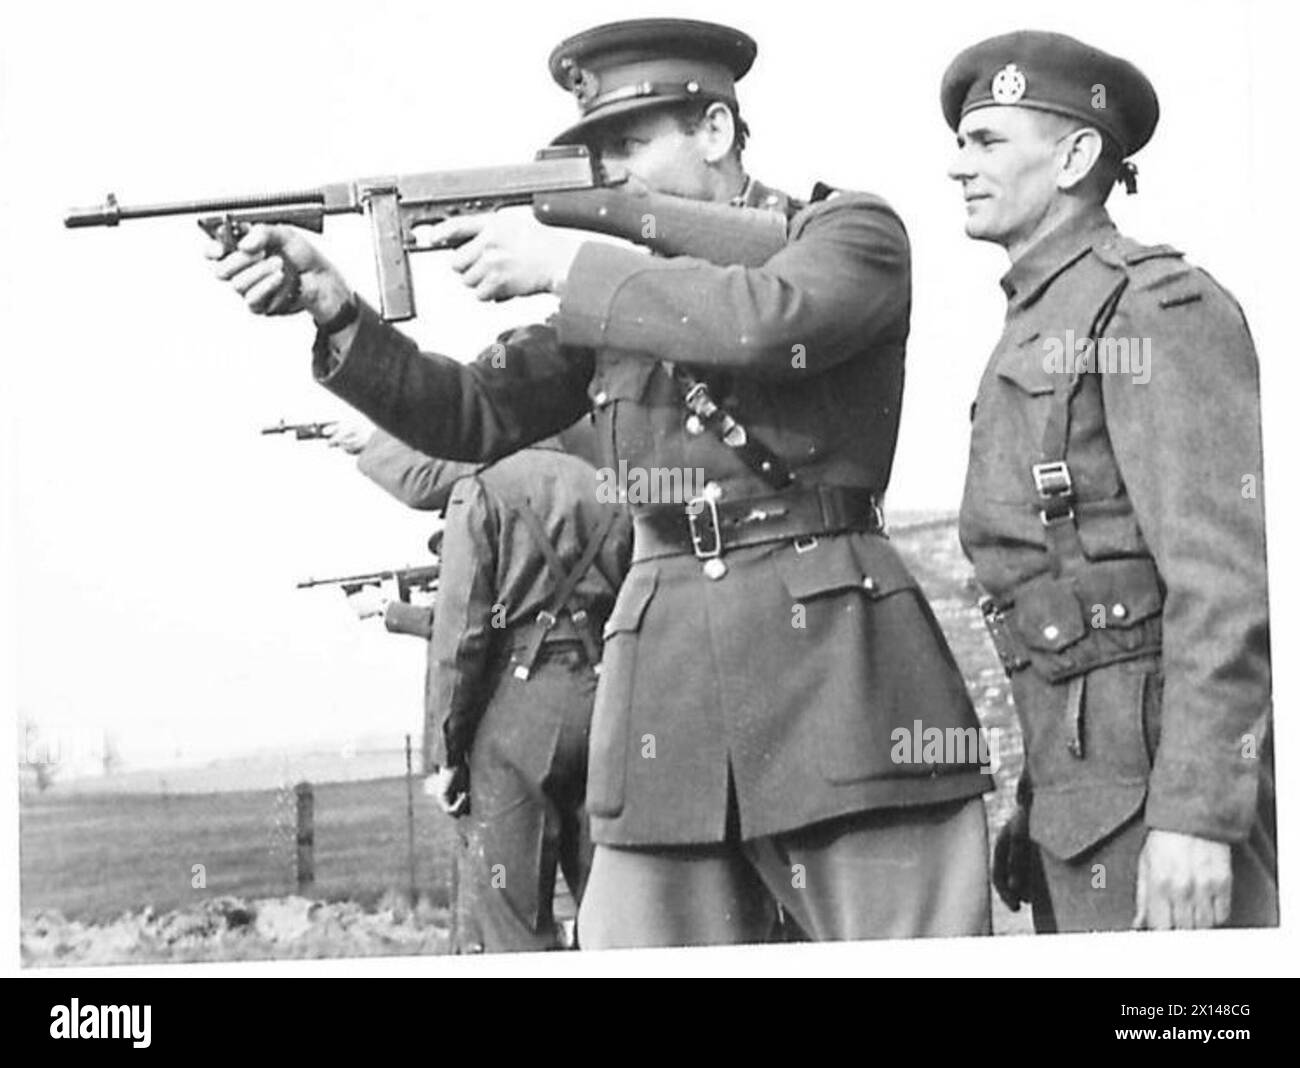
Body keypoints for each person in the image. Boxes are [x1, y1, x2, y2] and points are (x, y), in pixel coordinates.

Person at [210, 17, 993, 947]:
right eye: (596, 155)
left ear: (715, 131)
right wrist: (336, 309)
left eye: (630, 144)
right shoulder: (623, 297)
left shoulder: (847, 230)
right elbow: (470, 414)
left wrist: (575, 260)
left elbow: (766, 320)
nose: (610, 175)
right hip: (664, 701)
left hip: (838, 684)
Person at [942, 30, 1276, 932]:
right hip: (1083, 809)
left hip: (1161, 816)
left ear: (1077, 156)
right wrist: (1040, 798)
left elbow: (1225, 581)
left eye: (987, 142)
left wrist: (1197, 819)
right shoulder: (1039, 316)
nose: (957, 167)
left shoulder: (1153, 308)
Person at [331, 418, 629, 952]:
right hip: (609, 700)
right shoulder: (607, 483)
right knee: (615, 909)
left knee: (514, 921)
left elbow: (461, 635)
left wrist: (444, 755)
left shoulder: (481, 489)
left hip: (517, 707)